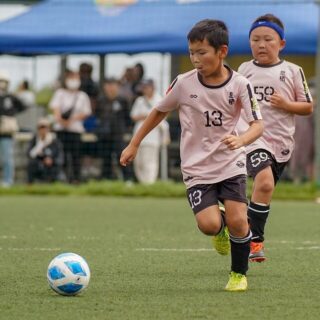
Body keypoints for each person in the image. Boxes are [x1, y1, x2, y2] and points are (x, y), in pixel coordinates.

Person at [120, 19, 263, 291]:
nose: (195, 59)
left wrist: (241, 139)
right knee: (209, 225)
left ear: (222, 51)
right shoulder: (183, 84)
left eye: (202, 52)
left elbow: (258, 125)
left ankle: (238, 274)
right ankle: (218, 226)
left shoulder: (241, 85)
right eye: (191, 53)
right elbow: (159, 111)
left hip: (231, 163)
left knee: (239, 220)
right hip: (197, 169)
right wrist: (134, 143)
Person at [236, 14, 313, 262]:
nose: (261, 44)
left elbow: (308, 107)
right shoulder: (244, 70)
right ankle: (255, 242)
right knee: (265, 182)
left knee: (264, 188)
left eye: (268, 39)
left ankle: (240, 226)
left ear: (281, 43)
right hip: (252, 138)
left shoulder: (293, 71)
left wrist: (286, 104)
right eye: (255, 39)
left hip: (281, 143)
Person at [49, 70, 91, 183]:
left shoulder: (82, 96)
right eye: (71, 77)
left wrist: (71, 120)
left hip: (75, 130)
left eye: (76, 78)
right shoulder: (60, 93)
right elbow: (55, 110)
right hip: (61, 130)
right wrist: (62, 121)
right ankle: (61, 178)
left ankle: (76, 179)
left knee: (76, 156)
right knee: (61, 155)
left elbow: (86, 112)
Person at [130, 79, 169, 184]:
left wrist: (147, 117)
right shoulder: (140, 100)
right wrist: (147, 116)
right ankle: (143, 184)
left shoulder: (159, 99)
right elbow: (133, 116)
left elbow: (161, 118)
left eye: (147, 87)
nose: (145, 90)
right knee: (139, 162)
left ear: (152, 87)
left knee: (150, 162)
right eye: (144, 88)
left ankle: (150, 184)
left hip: (152, 136)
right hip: (138, 136)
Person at [95, 78, 133, 181]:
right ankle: (106, 180)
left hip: (118, 134)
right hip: (104, 135)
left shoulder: (123, 100)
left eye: (113, 85)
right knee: (105, 158)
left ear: (117, 87)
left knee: (121, 157)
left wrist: (126, 131)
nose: (110, 88)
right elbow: (97, 116)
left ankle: (127, 180)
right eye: (108, 85)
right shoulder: (101, 100)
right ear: (105, 87)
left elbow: (128, 118)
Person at [0, 70, 26, 187]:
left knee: (7, 157)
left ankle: (7, 181)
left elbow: (23, 106)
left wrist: (10, 115)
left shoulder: (10, 97)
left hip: (6, 132)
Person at [27, 118, 63, 183]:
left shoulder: (54, 140)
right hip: (38, 162)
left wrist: (51, 160)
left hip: (52, 163)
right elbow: (30, 154)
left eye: (45, 127)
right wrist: (40, 146)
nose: (43, 130)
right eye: (41, 127)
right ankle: (30, 186)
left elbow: (59, 155)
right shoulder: (35, 140)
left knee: (55, 168)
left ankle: (54, 185)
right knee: (32, 164)